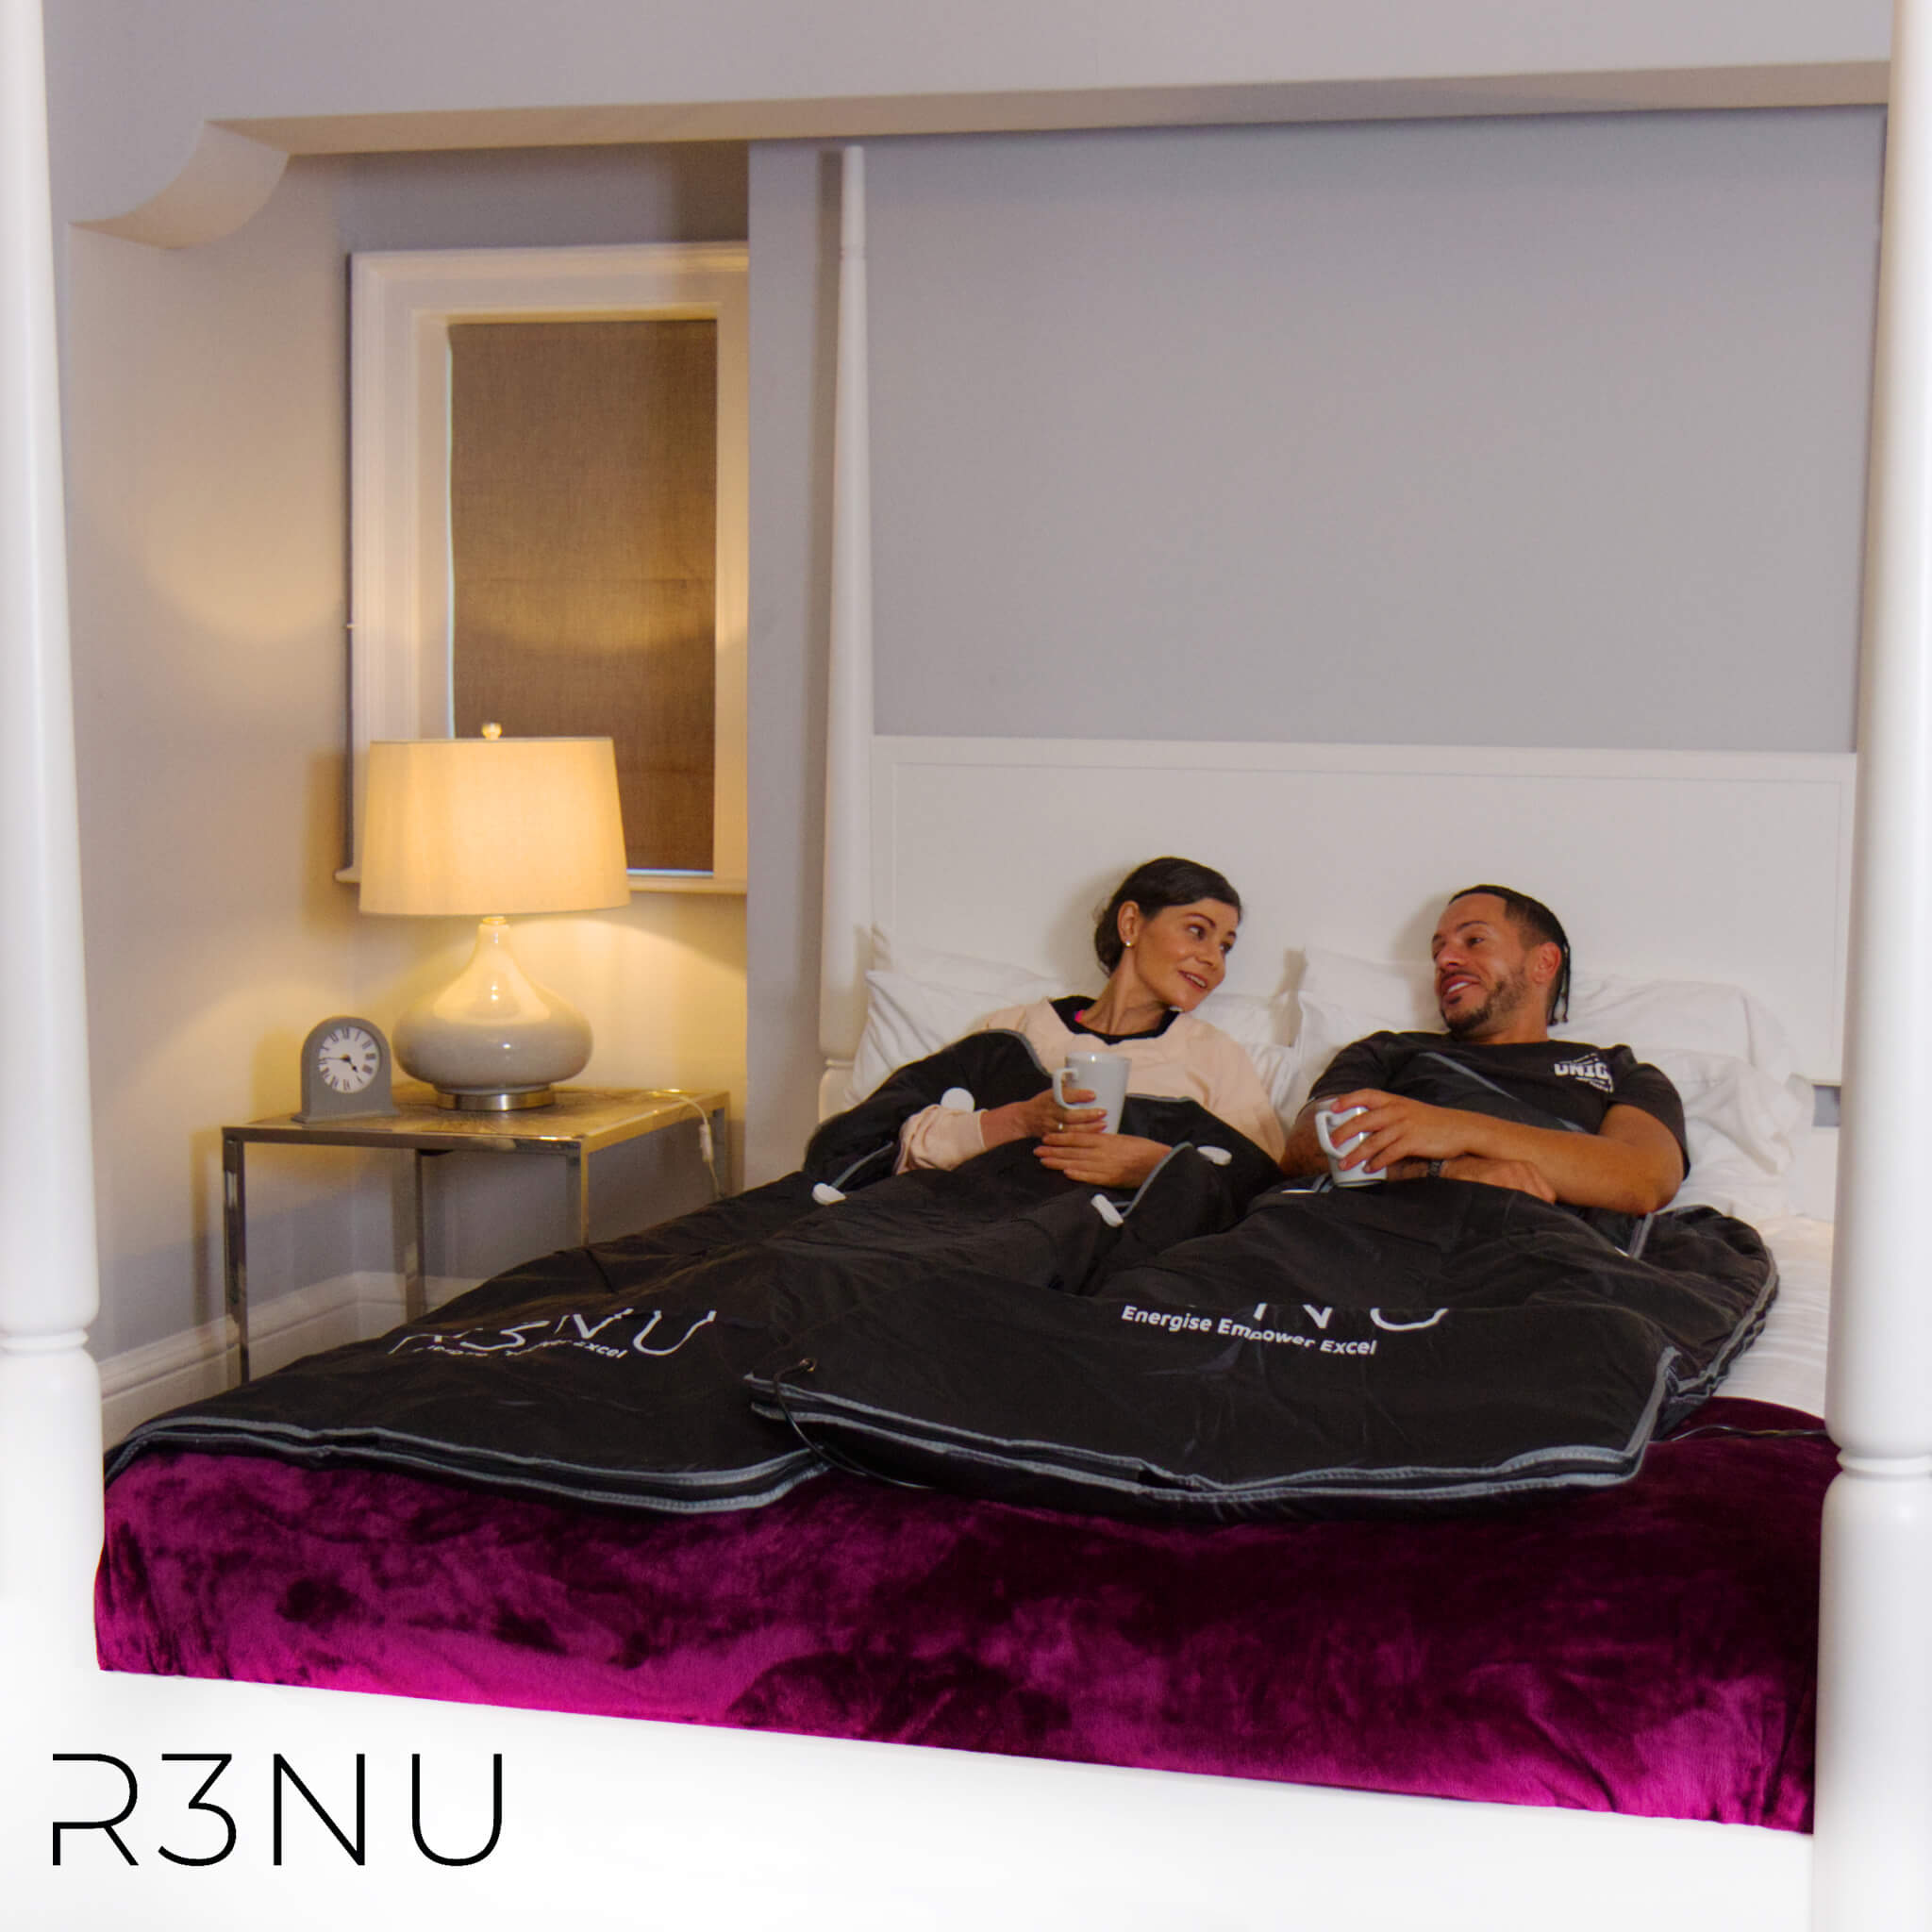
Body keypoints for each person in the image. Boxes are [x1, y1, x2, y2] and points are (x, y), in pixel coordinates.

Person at [1278, 884, 1686, 1215]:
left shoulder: (1619, 1071)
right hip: (1388, 1234)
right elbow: (1305, 1149)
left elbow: (1644, 1180)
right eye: (1437, 952)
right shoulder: (1387, 1052)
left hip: (1546, 1251)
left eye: (1474, 940)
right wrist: (1446, 1169)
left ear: (1544, 963)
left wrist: (1456, 1130)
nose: (1445, 960)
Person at [896, 857, 1287, 1186]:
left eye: (1225, 947)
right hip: (968, 1217)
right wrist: (1018, 1121)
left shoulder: (1215, 1056)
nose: (1214, 960)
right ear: (1131, 923)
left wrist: (1159, 1168)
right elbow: (903, 1144)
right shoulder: (1015, 1031)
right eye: (1197, 931)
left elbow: (1259, 1183)